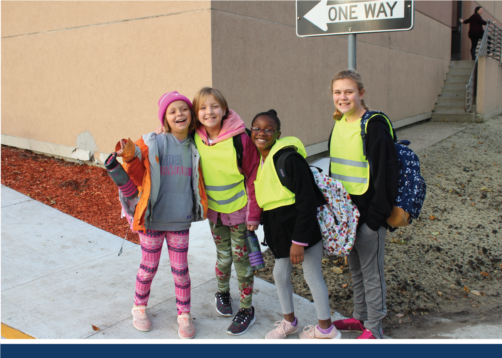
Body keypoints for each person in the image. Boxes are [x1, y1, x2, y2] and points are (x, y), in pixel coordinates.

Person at [115, 91, 206, 339]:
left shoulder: (198, 143)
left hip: (179, 220)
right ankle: (139, 308)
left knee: (181, 270)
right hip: (152, 219)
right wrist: (127, 152)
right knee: (148, 267)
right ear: (165, 118)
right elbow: (133, 165)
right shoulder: (153, 141)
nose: (179, 114)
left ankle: (184, 315)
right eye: (172, 111)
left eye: (184, 109)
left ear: (192, 114)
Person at [251, 109, 339, 340]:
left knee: (312, 276)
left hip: (303, 230)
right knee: (280, 274)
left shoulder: (289, 159)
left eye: (268, 129)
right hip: (280, 230)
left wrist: (299, 242)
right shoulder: (263, 159)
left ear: (278, 133)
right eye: (256, 128)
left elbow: (307, 200)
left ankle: (326, 328)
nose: (261, 133)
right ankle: (289, 322)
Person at [327, 69, 398, 340]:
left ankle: (375, 326)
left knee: (372, 273)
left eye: (348, 91)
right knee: (355, 268)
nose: (342, 97)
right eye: (337, 92)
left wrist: (375, 220)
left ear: (361, 93)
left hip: (369, 215)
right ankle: (359, 318)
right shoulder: (340, 122)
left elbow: (386, 175)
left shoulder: (374, 125)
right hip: (346, 215)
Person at [193, 87, 261, 335]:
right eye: (202, 107)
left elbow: (254, 174)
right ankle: (222, 293)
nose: (209, 112)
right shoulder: (195, 136)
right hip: (215, 213)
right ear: (195, 113)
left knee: (242, 261)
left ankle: (247, 308)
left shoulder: (240, 137)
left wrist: (254, 213)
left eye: (214, 106)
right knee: (223, 257)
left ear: (224, 109)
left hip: (239, 212)